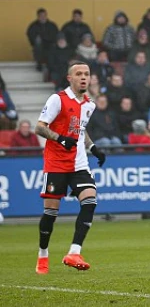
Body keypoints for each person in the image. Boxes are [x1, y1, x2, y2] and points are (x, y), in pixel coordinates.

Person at [33, 62, 107, 274]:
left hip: (79, 163)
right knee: (50, 213)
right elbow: (40, 126)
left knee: (90, 200)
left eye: (87, 74)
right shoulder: (58, 99)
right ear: (70, 78)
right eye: (79, 74)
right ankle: (43, 254)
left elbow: (81, 131)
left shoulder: (89, 104)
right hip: (56, 163)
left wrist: (93, 148)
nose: (84, 77)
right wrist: (60, 138)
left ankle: (74, 252)